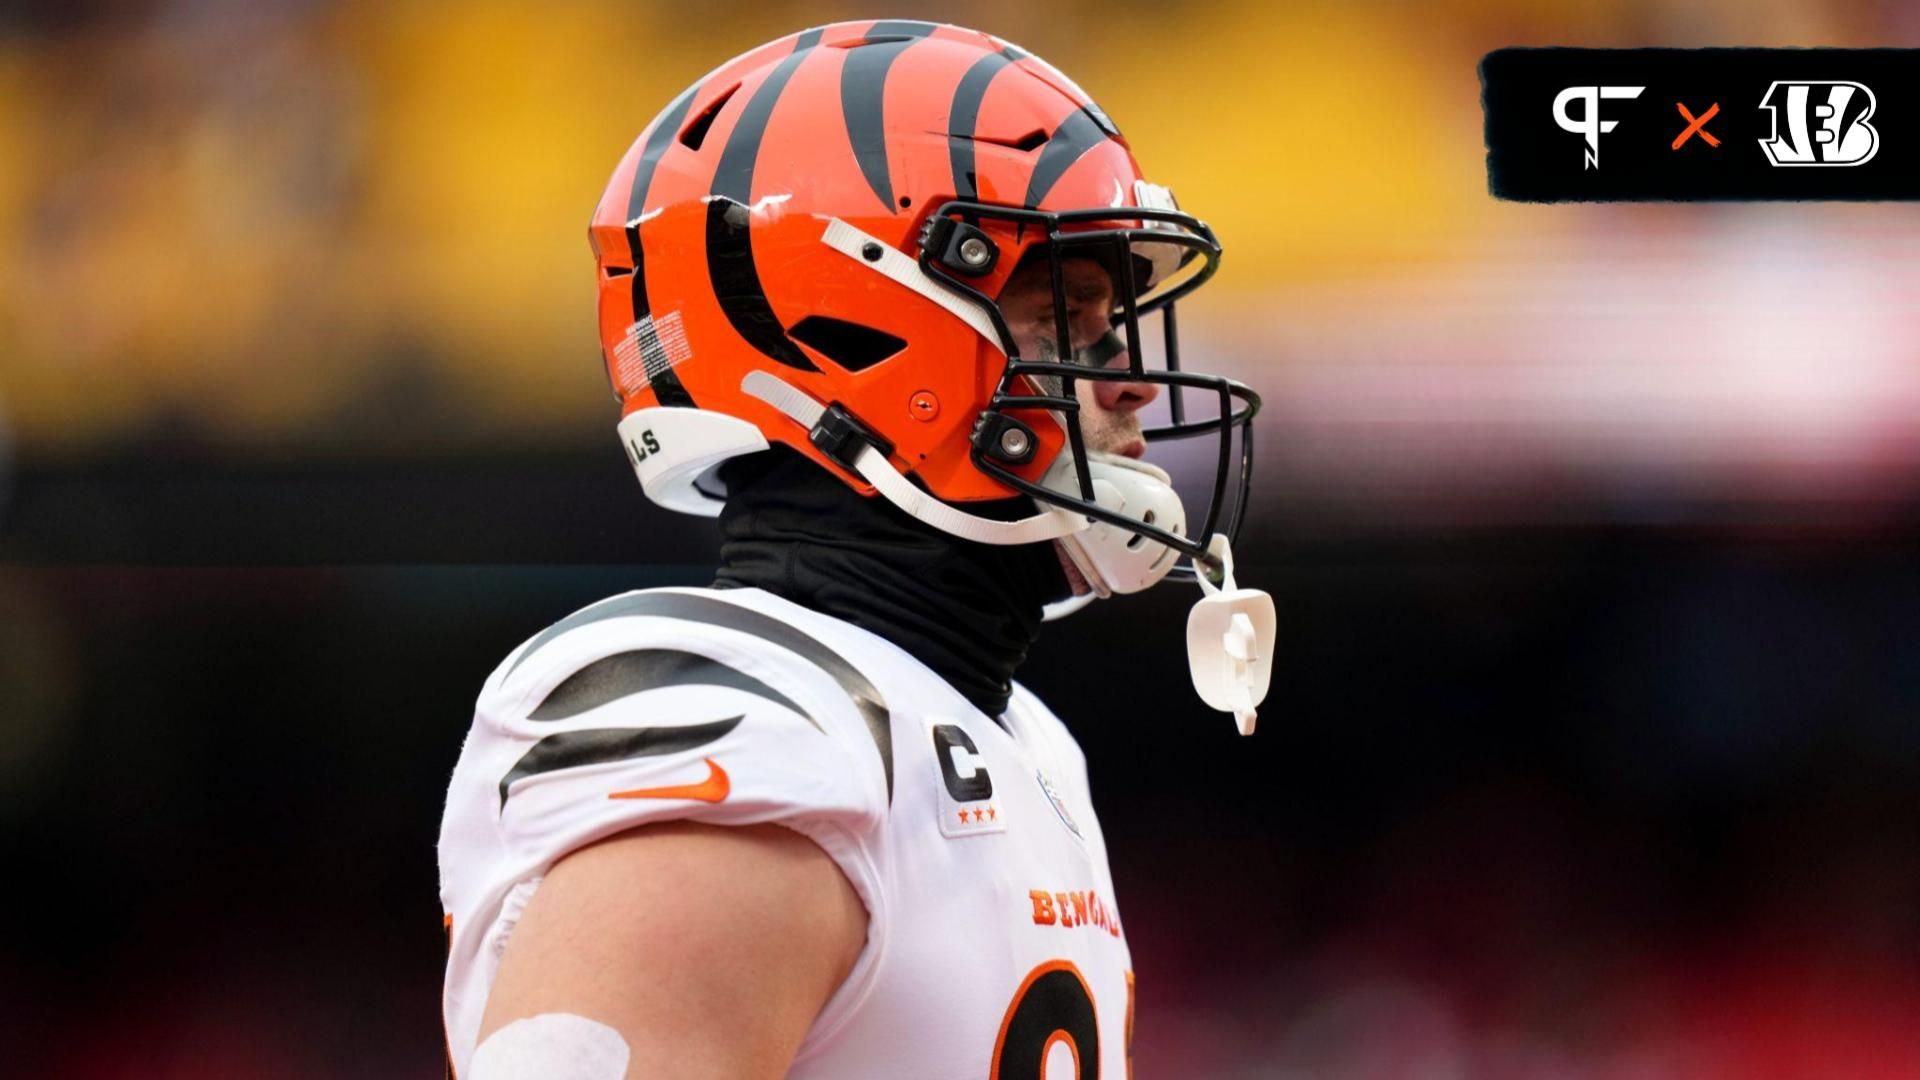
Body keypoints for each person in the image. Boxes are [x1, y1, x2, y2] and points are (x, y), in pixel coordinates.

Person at [438, 20, 1271, 1079]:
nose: (1131, 382)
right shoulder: (751, 719)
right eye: (1064, 314)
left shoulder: (1014, 740)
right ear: (853, 328)